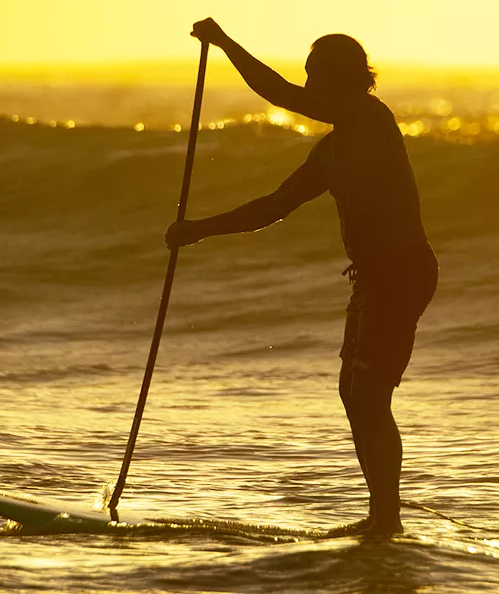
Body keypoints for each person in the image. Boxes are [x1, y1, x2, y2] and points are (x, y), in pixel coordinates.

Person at [167, 18, 439, 537]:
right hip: (371, 278)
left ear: (349, 80)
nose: (309, 85)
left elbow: (280, 93)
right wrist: (199, 230)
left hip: (402, 273)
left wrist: (226, 44)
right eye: (308, 75)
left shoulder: (370, 118)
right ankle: (382, 514)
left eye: (317, 76)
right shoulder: (331, 152)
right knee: (352, 391)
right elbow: (274, 206)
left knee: (367, 392)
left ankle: (387, 520)